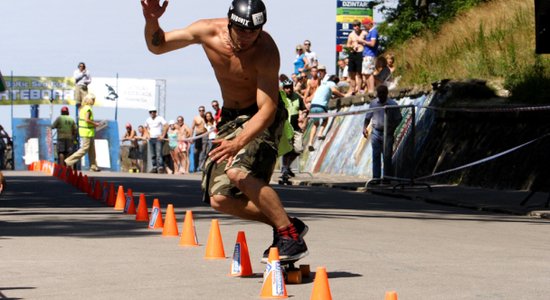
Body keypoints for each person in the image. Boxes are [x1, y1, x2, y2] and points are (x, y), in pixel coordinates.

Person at [141, 0, 308, 261]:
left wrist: (238, 142)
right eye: (241, 31)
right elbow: (158, 46)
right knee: (219, 199)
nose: (246, 38)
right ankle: (289, 226)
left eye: (253, 32)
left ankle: (288, 235)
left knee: (239, 172)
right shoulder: (207, 31)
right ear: (230, 22)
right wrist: (152, 19)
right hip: (230, 119)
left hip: (263, 115)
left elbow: (268, 108)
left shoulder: (265, 50)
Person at [362, 85, 402, 182]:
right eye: (379, 93)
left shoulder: (392, 104)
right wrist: (364, 127)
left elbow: (399, 118)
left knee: (387, 156)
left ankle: (387, 178)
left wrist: (392, 128)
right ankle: (376, 178)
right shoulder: (373, 103)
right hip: (376, 132)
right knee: (376, 155)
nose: (381, 95)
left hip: (387, 133)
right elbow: (368, 117)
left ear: (386, 93)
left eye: (383, 93)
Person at [306, 75, 346, 151]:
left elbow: (328, 95)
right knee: (325, 120)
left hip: (313, 106)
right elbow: (334, 91)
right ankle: (320, 133)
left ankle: (310, 143)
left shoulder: (322, 85)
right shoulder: (332, 84)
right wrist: (343, 95)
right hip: (321, 106)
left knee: (315, 124)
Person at [65, 94, 101, 172]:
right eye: (93, 99)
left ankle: (93, 166)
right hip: (87, 132)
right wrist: (95, 124)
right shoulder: (88, 109)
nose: (94, 101)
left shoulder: (83, 108)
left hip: (88, 132)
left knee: (92, 150)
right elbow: (87, 120)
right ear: (89, 100)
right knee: (84, 149)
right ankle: (68, 161)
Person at [280, 79, 306, 178]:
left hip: (295, 127)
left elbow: (304, 109)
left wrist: (303, 116)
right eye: (286, 88)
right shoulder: (280, 98)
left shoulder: (297, 97)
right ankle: (285, 169)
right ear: (283, 88)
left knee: (298, 149)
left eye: (290, 87)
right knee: (287, 149)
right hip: (285, 128)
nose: (288, 89)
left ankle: (287, 166)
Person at [145, 107, 167, 173]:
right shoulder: (148, 120)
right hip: (151, 138)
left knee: (158, 153)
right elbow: (145, 127)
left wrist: (163, 135)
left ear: (156, 112)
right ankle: (154, 167)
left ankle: (160, 167)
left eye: (153, 111)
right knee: (152, 154)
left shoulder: (160, 118)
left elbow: (166, 126)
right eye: (150, 112)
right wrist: (147, 135)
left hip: (158, 138)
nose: (152, 113)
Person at [345, 20, 365, 95]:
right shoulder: (351, 35)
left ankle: (359, 89)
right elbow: (348, 45)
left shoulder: (364, 33)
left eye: (357, 25)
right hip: (353, 53)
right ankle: (353, 89)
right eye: (354, 25)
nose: (356, 27)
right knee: (351, 73)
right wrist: (352, 47)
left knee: (359, 73)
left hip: (360, 53)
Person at [361, 17, 379, 94]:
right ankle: (369, 89)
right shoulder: (370, 32)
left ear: (369, 24)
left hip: (370, 55)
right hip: (366, 54)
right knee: (365, 73)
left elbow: (372, 43)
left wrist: (363, 41)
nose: (364, 26)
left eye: (365, 24)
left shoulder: (373, 31)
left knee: (369, 72)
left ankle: (371, 89)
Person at [191, 105, 208, 172]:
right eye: (200, 110)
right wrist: (192, 137)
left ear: (204, 111)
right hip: (198, 135)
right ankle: (195, 167)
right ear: (198, 111)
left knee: (203, 151)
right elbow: (192, 128)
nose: (201, 111)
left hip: (204, 135)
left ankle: (201, 167)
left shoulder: (206, 117)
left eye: (203, 110)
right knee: (196, 152)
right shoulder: (196, 118)